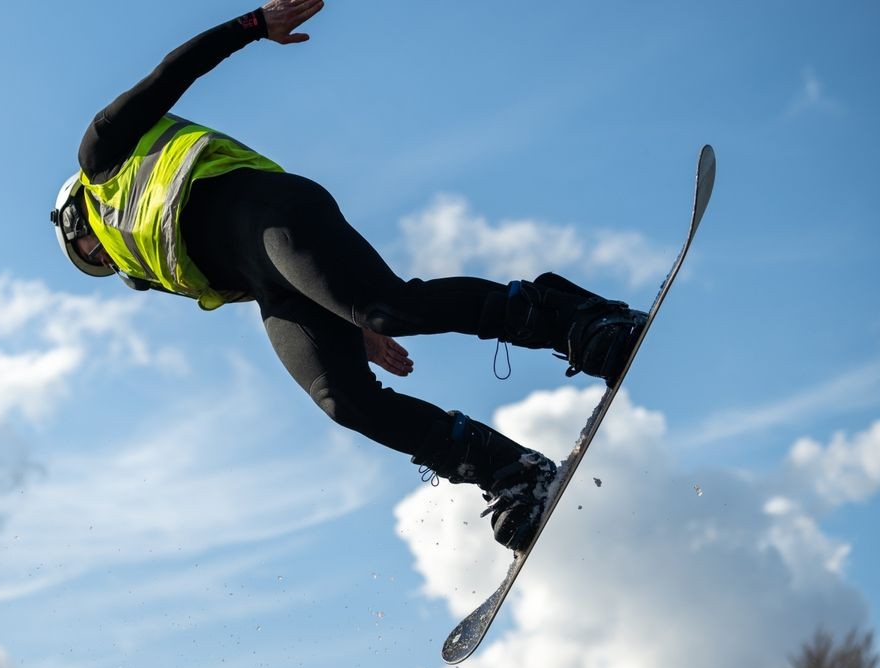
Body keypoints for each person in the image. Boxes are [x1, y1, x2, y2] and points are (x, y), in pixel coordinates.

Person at [49, 0, 646, 551]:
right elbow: (266, 281)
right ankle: (513, 474)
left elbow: (167, 77)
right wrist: (348, 321)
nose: (102, 264)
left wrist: (254, 25)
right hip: (272, 282)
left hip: (275, 213)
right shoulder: (151, 264)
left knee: (392, 308)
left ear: (75, 216)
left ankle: (583, 322)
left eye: (87, 255)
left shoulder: (101, 157)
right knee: (342, 400)